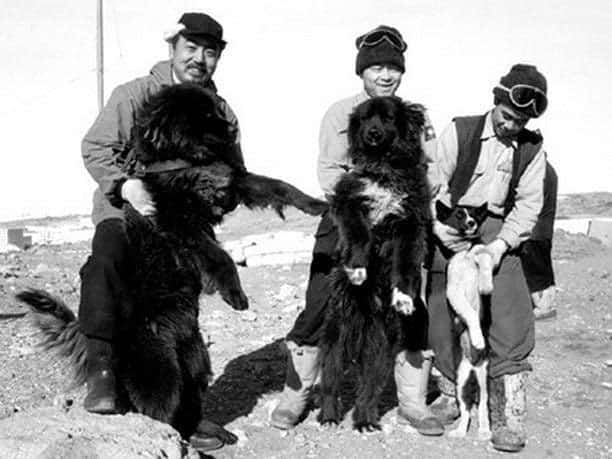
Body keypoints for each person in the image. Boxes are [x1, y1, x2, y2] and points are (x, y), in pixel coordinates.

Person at [270, 25, 445, 436]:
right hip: (350, 214)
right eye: (377, 68)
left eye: (393, 68)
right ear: (362, 72)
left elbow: (431, 168)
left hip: (401, 215)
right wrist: (364, 199)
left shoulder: (414, 116)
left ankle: (412, 401)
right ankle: (297, 395)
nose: (385, 75)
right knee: (319, 302)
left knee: (410, 303)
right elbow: (329, 172)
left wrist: (403, 199)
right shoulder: (340, 114)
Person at [79, 12, 241, 451]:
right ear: (173, 49)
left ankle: (187, 413)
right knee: (105, 265)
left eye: (210, 52)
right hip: (125, 213)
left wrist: (218, 197)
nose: (199, 59)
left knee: (182, 314)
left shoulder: (220, 111)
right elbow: (95, 147)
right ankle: (103, 374)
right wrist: (126, 184)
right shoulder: (134, 94)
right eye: (191, 48)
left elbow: (232, 170)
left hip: (181, 228)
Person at [428, 63, 548, 452]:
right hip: (449, 221)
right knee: (442, 307)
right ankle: (451, 393)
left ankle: (506, 412)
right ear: (495, 101)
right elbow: (429, 182)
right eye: (507, 116)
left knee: (510, 309)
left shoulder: (531, 150)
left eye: (521, 120)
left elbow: (529, 207)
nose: (511, 125)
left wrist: (499, 247)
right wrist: (436, 227)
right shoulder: (460, 131)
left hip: (495, 230)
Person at [520, 160, 558, 320]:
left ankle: (544, 307)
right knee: (541, 267)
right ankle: (543, 304)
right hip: (542, 230)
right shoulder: (548, 169)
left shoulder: (540, 170)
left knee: (536, 270)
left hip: (535, 230)